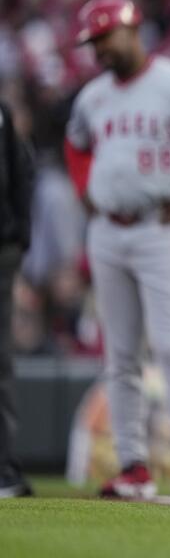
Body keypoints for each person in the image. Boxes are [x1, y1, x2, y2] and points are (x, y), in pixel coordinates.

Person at [64, 0, 170, 499]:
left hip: (162, 228)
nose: (99, 50)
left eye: (105, 38)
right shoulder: (93, 97)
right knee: (119, 354)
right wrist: (83, 189)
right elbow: (75, 144)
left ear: (133, 30)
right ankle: (133, 466)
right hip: (108, 232)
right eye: (92, 43)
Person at [0, 99, 34, 498]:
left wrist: (18, 237)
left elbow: (21, 170)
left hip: (1, 248)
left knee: (1, 359)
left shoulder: (4, 112)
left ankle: (4, 465)